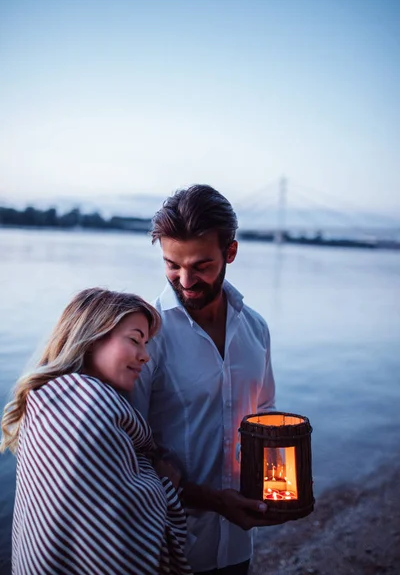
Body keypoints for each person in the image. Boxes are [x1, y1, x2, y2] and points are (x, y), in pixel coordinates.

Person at [131, 184, 277, 575]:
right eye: (172, 265)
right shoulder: (146, 335)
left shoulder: (256, 328)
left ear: (230, 252)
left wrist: (277, 486)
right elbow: (129, 447)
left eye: (201, 265)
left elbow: (265, 415)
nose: (184, 279)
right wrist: (213, 501)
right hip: (167, 544)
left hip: (239, 541)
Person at [0, 288, 192, 575]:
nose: (145, 356)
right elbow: (126, 538)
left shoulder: (46, 399)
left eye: (147, 344)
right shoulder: (91, 411)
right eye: (135, 340)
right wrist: (165, 483)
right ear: (91, 339)